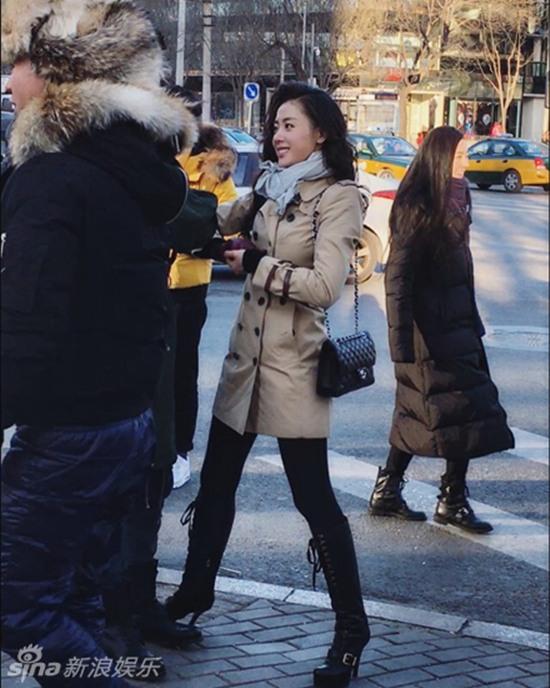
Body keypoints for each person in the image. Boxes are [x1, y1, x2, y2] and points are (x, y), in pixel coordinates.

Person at [0, 1, 195, 685]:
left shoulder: (52, 177)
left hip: (69, 432)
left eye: (18, 63)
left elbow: (29, 324)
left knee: (17, 606)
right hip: (124, 424)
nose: (8, 81)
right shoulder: (120, 167)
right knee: (72, 596)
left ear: (58, 73)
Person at [165, 81, 371, 688]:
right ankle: (194, 592)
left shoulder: (338, 197)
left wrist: (257, 265)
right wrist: (180, 184)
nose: (277, 135)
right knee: (215, 485)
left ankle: (351, 630)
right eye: (275, 125)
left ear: (321, 133)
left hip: (293, 368)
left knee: (314, 499)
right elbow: (212, 218)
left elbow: (325, 285)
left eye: (288, 125)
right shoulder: (269, 188)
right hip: (244, 363)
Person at [368, 126, 514, 533]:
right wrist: (401, 344)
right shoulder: (418, 205)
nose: (465, 162)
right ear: (439, 158)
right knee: (451, 410)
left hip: (458, 326)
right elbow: (398, 279)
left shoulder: (457, 197)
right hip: (428, 334)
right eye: (459, 156)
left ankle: (391, 491)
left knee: (430, 412)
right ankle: (451, 500)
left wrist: (473, 321)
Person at [169, 94, 239, 488]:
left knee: (182, 370)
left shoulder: (214, 168)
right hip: (150, 282)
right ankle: (154, 444)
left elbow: (228, 227)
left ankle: (180, 449)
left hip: (188, 287)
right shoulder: (157, 159)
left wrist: (196, 239)